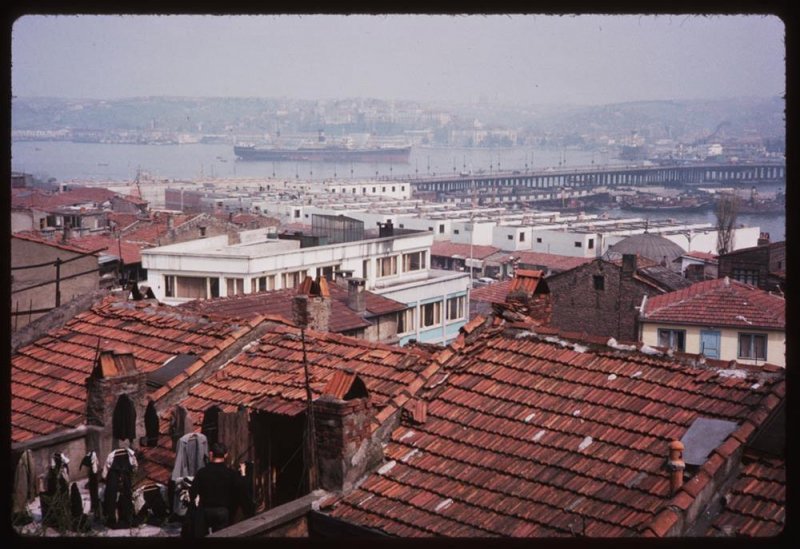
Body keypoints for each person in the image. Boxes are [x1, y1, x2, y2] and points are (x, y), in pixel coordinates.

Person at [189, 442, 243, 534]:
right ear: (225, 455)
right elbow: (238, 494)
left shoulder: (202, 472)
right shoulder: (231, 474)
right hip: (223, 511)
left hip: (205, 510)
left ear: (211, 454)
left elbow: (192, 492)